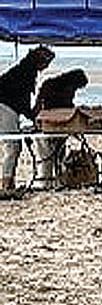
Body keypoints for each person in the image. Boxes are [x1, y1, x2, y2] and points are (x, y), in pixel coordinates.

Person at [0, 43, 54, 194]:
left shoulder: (25, 69)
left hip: (8, 107)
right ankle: (6, 184)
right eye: (47, 63)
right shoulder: (25, 72)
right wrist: (33, 116)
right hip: (5, 107)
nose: (47, 67)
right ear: (40, 60)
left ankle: (9, 182)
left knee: (13, 146)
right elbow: (22, 102)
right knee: (12, 146)